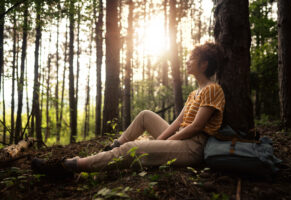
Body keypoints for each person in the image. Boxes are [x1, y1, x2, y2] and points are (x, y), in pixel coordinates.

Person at [31, 42, 225, 176]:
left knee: (132, 149)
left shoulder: (212, 89)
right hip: (182, 138)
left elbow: (197, 126)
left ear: (204, 64)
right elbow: (177, 122)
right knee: (145, 115)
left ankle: (70, 165)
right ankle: (113, 147)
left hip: (193, 147)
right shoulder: (194, 93)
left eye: (192, 58)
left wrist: (163, 141)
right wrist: (161, 140)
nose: (187, 61)